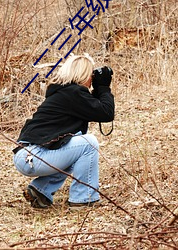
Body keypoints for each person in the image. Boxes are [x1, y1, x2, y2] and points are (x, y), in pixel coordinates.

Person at [13, 54, 115, 209]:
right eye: (90, 74)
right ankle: (83, 199)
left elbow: (95, 108)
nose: (91, 78)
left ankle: (40, 190)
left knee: (73, 148)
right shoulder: (73, 93)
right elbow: (106, 113)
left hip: (28, 155)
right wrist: (103, 87)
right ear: (82, 74)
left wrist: (99, 88)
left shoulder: (65, 93)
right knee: (88, 143)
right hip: (33, 156)